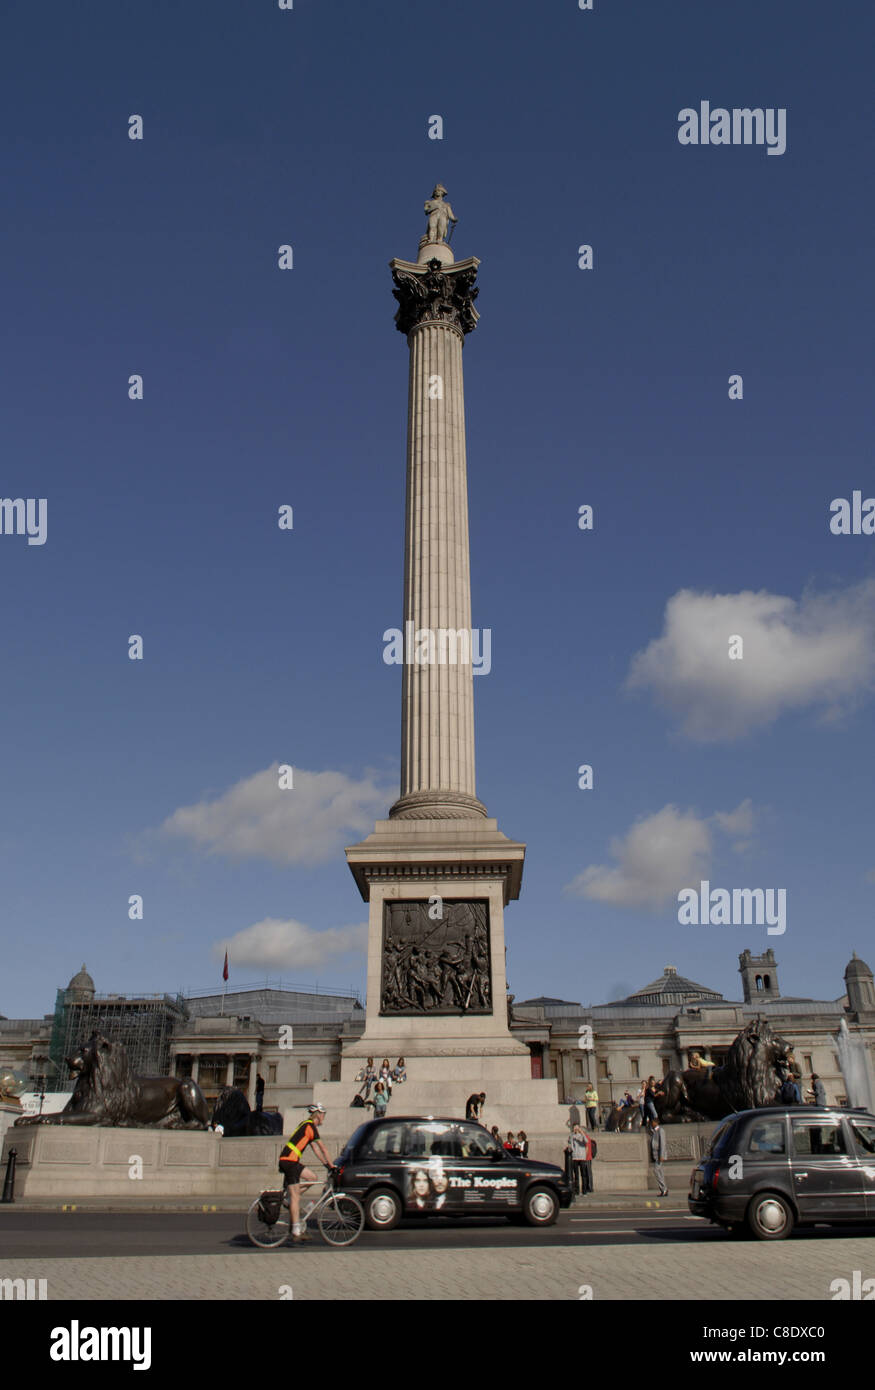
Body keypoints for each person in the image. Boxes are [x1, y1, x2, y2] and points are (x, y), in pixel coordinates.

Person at [278, 1104, 334, 1243]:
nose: (324, 1119)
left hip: (292, 1161)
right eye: (323, 1116)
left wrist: (326, 1165)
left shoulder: (306, 1126)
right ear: (318, 1115)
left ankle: (289, 1198)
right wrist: (333, 1166)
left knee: (312, 1178)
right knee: (296, 1197)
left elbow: (315, 1149)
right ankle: (296, 1231)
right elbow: (323, 1148)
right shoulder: (310, 1127)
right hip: (289, 1161)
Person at [568, 1124, 592, 1196]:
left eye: (577, 1127)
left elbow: (586, 1141)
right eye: (575, 1127)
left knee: (583, 1175)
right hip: (575, 1157)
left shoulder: (582, 1136)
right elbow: (571, 1145)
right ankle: (577, 1191)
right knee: (576, 1175)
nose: (576, 1129)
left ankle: (584, 1191)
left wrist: (581, 1132)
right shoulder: (572, 1136)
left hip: (582, 1157)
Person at [649, 1117, 668, 1196]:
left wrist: (661, 1155)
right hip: (656, 1155)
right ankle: (664, 1190)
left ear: (656, 1122)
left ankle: (664, 1188)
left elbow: (662, 1144)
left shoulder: (661, 1131)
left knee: (656, 1171)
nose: (651, 1124)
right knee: (660, 1172)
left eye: (652, 1122)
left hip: (660, 1155)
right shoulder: (654, 1131)